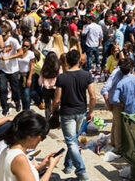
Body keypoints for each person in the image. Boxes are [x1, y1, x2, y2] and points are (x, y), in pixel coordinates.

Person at [53, 49, 95, 180]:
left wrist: (54, 112)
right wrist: (91, 112)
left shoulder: (62, 77)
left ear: (66, 61)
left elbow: (57, 100)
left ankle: (81, 171)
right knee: (73, 140)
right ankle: (68, 165)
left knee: (71, 142)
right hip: (81, 111)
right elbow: (93, 96)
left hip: (67, 113)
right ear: (79, 61)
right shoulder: (87, 75)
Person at [0, 110, 61, 181]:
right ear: (31, 136)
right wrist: (51, 167)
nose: (41, 140)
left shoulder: (8, 149)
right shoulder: (19, 158)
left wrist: (42, 165)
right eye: (42, 136)